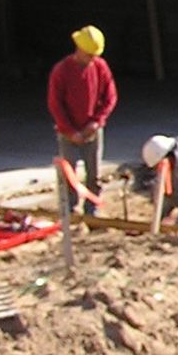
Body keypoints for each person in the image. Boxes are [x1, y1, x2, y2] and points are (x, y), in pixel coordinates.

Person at [47, 25, 117, 214]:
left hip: (92, 130)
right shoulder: (61, 71)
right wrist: (69, 131)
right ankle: (69, 209)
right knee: (68, 174)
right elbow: (55, 104)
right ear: (79, 49)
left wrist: (97, 122)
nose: (92, 59)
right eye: (89, 55)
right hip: (68, 131)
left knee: (94, 173)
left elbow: (110, 97)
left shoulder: (100, 67)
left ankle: (92, 207)